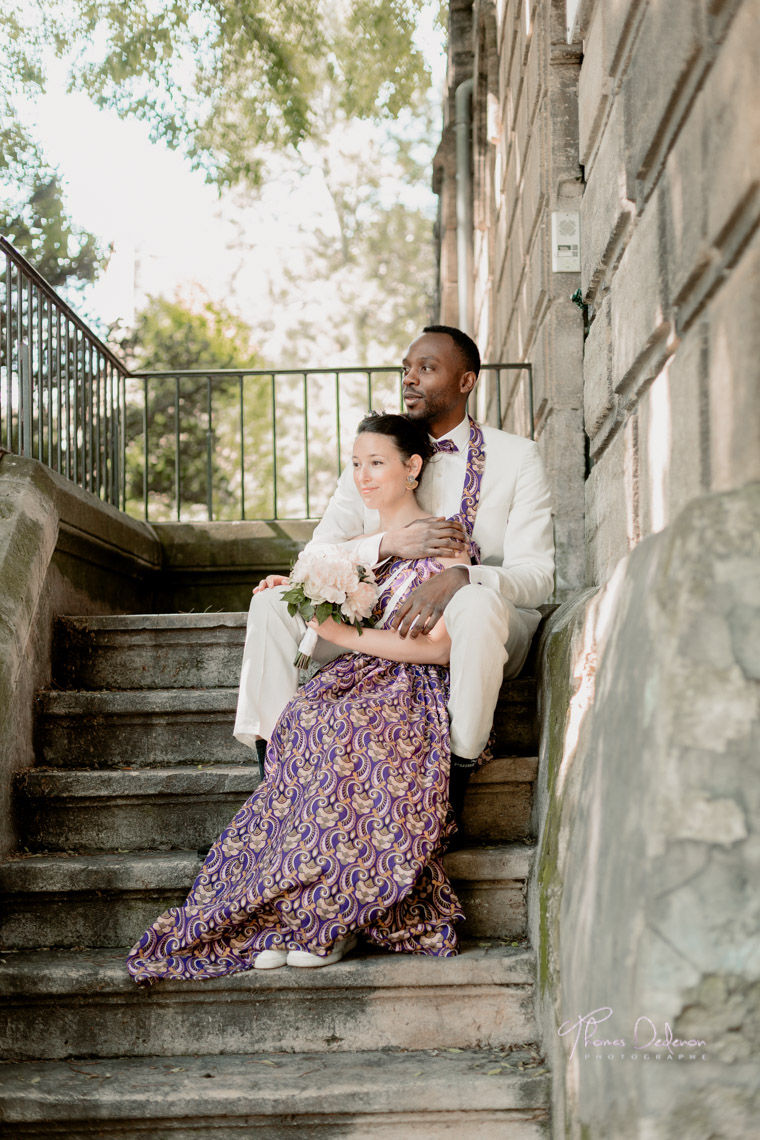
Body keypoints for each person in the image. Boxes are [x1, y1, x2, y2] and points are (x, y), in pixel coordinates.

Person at [126, 413, 473, 982]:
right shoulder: (353, 549)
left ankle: (334, 919)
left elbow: (439, 649)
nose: (362, 475)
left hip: (408, 687)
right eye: (356, 463)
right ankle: (285, 916)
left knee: (342, 730)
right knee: (305, 717)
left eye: (376, 463)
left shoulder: (444, 536)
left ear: (412, 468)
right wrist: (294, 591)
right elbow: (312, 575)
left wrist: (345, 635)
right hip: (353, 676)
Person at [234, 325, 555, 819]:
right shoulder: (373, 456)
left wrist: (463, 579)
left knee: (473, 603)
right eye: (406, 369)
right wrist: (387, 543)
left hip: (481, 627)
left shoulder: (517, 457)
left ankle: (459, 769)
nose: (410, 379)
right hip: (380, 616)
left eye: (426, 369)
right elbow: (317, 550)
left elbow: (537, 576)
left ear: (467, 381)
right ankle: (277, 779)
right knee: (271, 605)